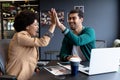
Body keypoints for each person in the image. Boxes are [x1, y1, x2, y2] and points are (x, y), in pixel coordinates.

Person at [6, 9, 56, 80]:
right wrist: (53, 25)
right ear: (27, 26)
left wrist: (35, 68)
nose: (37, 27)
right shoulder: (19, 36)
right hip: (18, 77)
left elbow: (27, 57)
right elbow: (43, 42)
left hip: (29, 76)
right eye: (35, 25)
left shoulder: (26, 38)